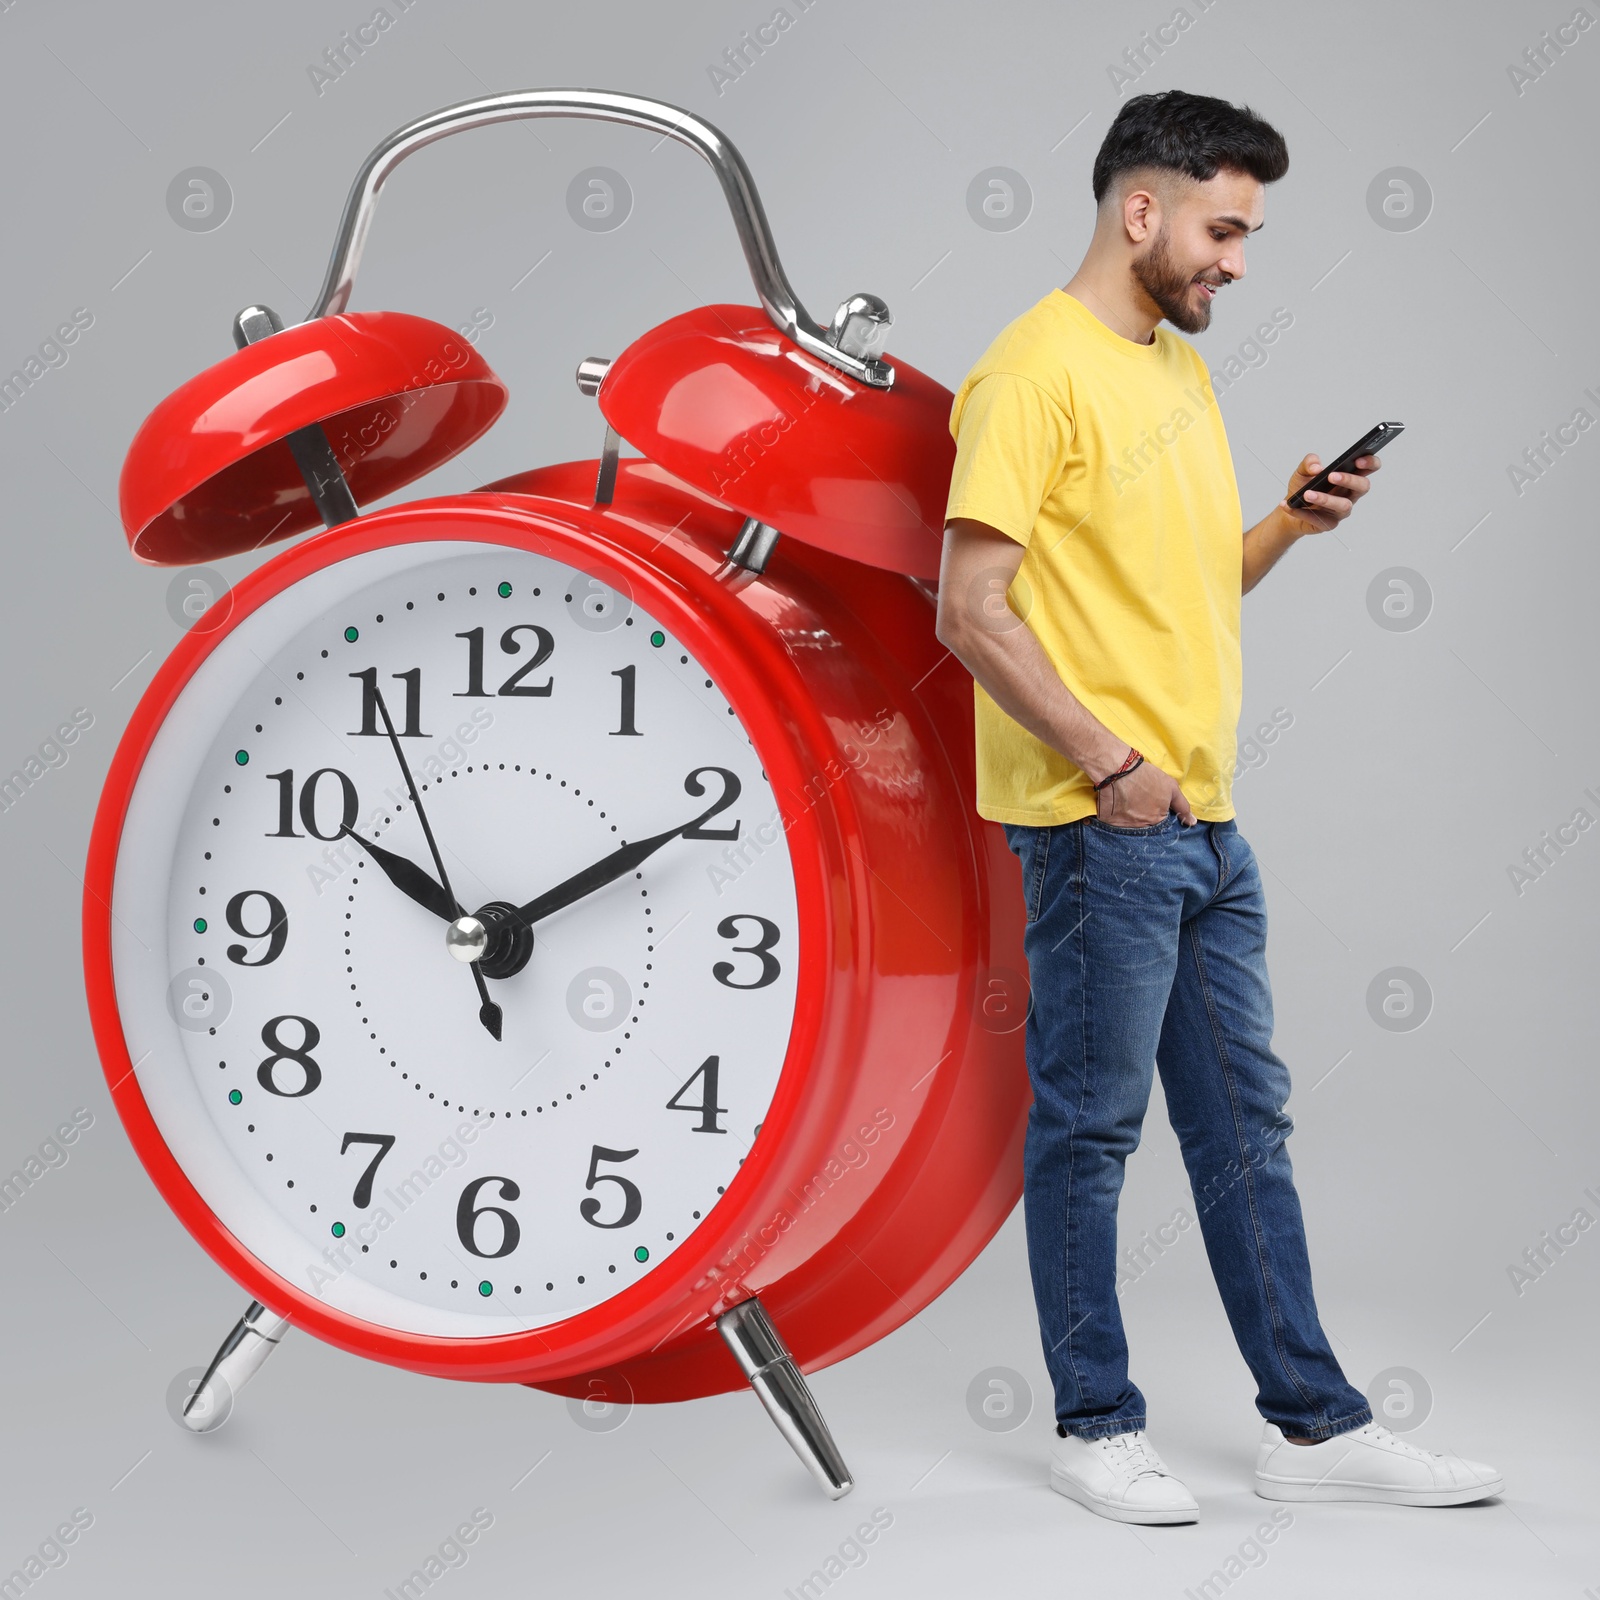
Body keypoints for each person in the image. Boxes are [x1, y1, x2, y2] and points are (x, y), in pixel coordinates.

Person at [935, 89, 1501, 1525]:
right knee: (1090, 1127)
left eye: (1247, 232)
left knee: (1245, 1130)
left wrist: (1287, 527)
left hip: (1203, 825)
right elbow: (970, 610)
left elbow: (1181, 591)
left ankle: (1311, 1427)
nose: (1238, 261)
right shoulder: (1029, 375)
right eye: (1224, 228)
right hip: (1097, 823)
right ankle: (1093, 1423)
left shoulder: (1172, 373)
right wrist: (1111, 767)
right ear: (1142, 210)